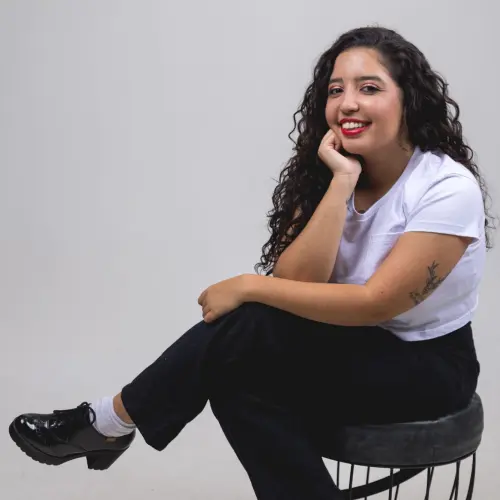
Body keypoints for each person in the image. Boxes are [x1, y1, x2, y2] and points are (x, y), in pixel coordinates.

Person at [8, 26, 495, 500]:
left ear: (409, 99)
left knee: (248, 326)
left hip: (426, 367)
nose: (348, 103)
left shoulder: (445, 188)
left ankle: (109, 421)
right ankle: (109, 424)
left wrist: (247, 285)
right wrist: (341, 183)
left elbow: (375, 303)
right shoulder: (326, 173)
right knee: (235, 371)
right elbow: (297, 282)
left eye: (369, 88)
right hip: (347, 349)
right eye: (336, 90)